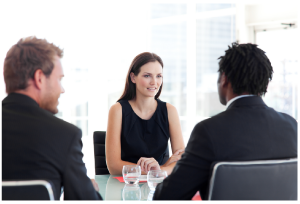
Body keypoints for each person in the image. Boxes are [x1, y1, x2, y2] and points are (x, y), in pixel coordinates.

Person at [153, 43, 298, 201]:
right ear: (265, 82)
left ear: (224, 79)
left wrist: (185, 162)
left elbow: (168, 194)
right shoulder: (291, 126)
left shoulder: (209, 131)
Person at [1, 36, 102, 201]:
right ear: (39, 78)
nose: (62, 90)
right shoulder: (65, 135)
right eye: (59, 79)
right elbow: (86, 197)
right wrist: (89, 188)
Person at [106, 52, 185, 176]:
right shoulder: (117, 110)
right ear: (133, 78)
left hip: (158, 184)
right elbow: (114, 166)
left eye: (159, 76)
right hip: (126, 186)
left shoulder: (170, 111)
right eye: (147, 76)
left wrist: (160, 171)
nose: (154, 82)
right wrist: (156, 170)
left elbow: (181, 159)